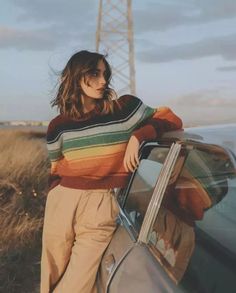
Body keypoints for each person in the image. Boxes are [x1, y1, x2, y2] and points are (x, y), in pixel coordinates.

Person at [40, 50, 183, 293]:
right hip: (61, 202)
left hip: (101, 205)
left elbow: (171, 118)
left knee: (76, 283)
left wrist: (139, 136)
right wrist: (55, 197)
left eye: (105, 74)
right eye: (94, 74)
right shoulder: (57, 126)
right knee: (51, 273)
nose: (103, 81)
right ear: (75, 77)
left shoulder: (124, 109)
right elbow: (56, 169)